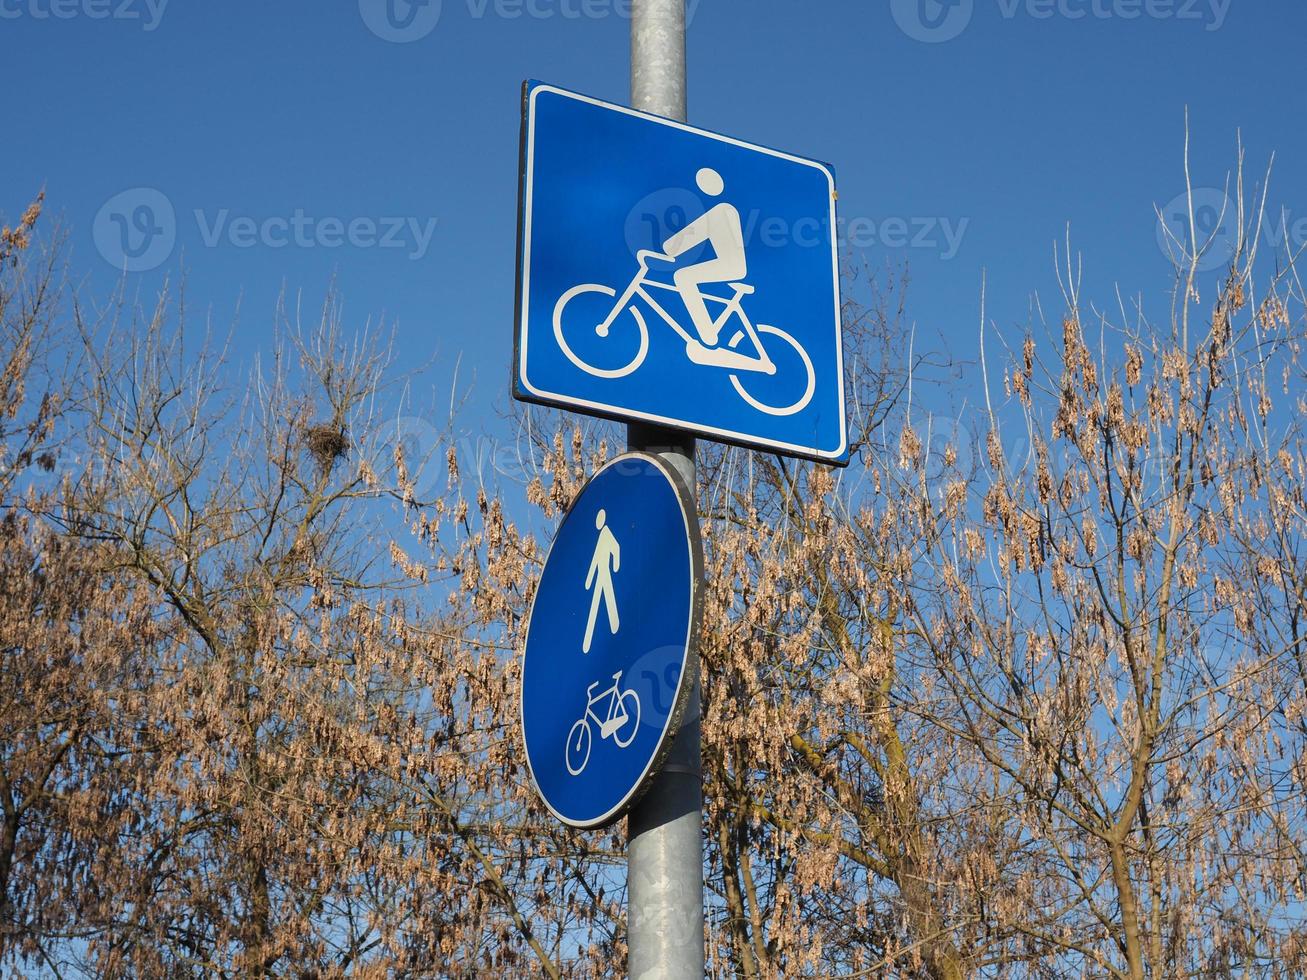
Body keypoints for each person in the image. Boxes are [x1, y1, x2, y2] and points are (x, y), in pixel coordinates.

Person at [662, 167, 747, 348]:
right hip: (725, 264)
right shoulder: (720, 210)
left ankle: (708, 338)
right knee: (684, 276)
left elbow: (691, 235)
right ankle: (708, 334)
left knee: (683, 277)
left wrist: (667, 249)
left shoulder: (722, 210)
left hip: (731, 266)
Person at [583, 509, 621, 654]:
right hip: (601, 574)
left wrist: (616, 565)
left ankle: (614, 628)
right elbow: (594, 560)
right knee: (596, 604)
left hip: (605, 573)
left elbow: (616, 548)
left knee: (601, 603)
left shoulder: (606, 533)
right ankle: (588, 642)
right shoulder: (600, 536)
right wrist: (589, 580)